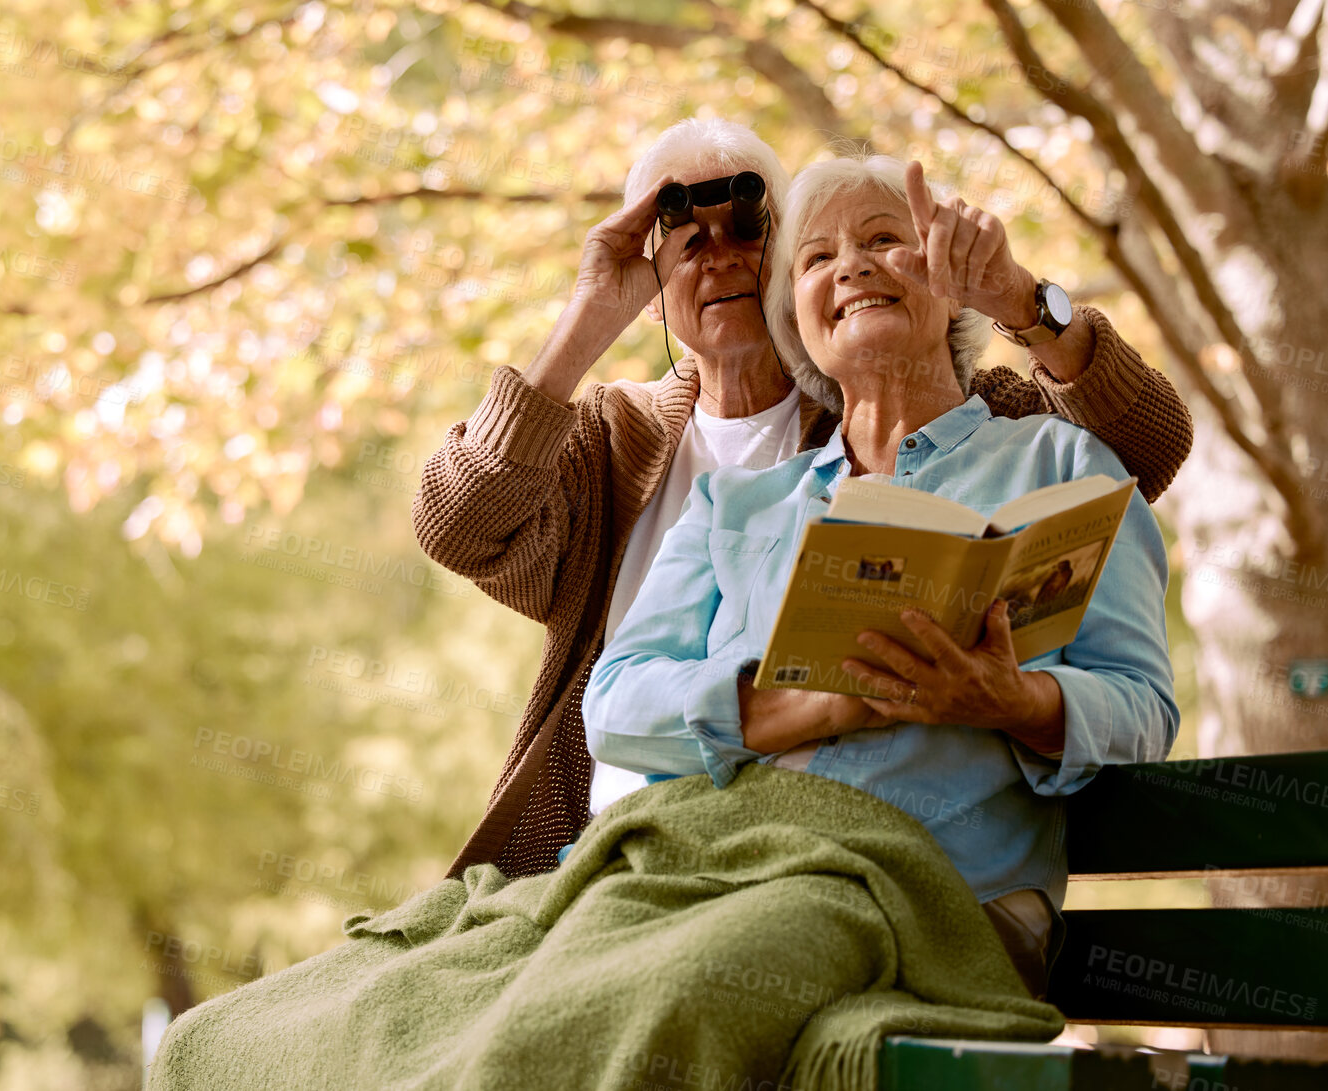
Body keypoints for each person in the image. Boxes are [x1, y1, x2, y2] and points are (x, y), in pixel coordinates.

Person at [412, 116, 1191, 909]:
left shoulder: (1000, 433)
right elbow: (460, 526)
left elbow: (1145, 445)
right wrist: (588, 317)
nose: (719, 254)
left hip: (844, 883)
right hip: (633, 853)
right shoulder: (628, 448)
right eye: (683, 234)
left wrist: (1021, 300)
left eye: (750, 228)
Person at [582, 153, 1181, 998]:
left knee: (692, 976)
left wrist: (1010, 704)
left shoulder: (1058, 462)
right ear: (797, 317)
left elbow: (1142, 708)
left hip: (946, 905)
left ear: (948, 286)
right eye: (816, 258)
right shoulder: (736, 504)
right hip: (729, 870)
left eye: (882, 239)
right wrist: (805, 705)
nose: (851, 265)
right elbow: (613, 703)